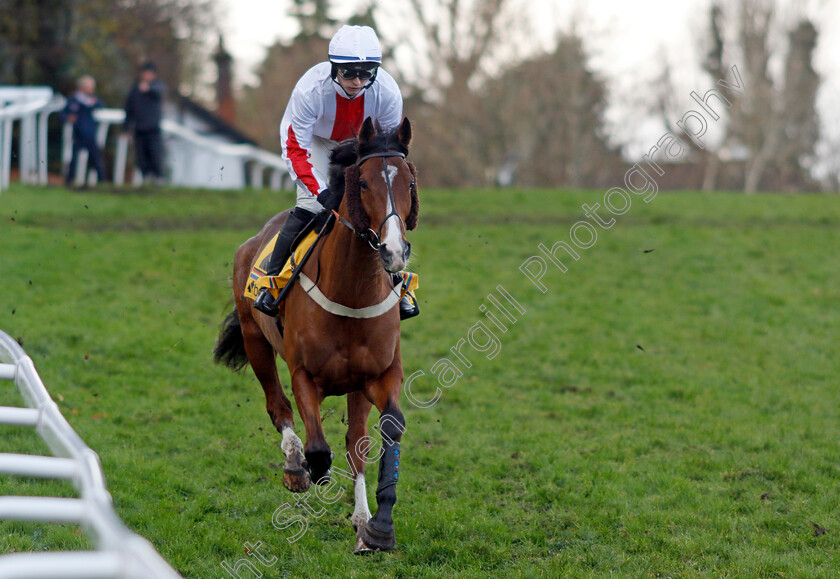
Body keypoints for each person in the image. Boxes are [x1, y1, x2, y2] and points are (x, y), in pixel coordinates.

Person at [252, 25, 419, 320]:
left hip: (362, 144)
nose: (356, 82)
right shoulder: (309, 89)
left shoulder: (388, 93)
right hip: (312, 141)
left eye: (365, 74)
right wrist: (323, 192)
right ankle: (270, 282)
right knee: (312, 205)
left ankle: (399, 284)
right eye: (348, 73)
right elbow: (295, 151)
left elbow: (388, 153)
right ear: (333, 69)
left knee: (381, 207)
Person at [124, 61, 166, 183]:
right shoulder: (135, 90)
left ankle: (158, 178)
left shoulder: (158, 86)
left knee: (155, 154)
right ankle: (146, 178)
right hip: (139, 128)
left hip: (153, 128)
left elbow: (159, 92)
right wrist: (126, 129)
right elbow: (129, 110)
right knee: (141, 156)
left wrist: (148, 89)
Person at [61, 75, 105, 187]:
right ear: (82, 87)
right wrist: (68, 117)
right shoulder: (73, 100)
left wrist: (96, 104)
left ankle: (103, 182)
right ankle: (69, 182)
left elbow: (102, 109)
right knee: (74, 159)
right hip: (78, 136)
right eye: (89, 87)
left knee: (96, 159)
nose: (92, 90)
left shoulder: (94, 100)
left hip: (91, 135)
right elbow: (62, 115)